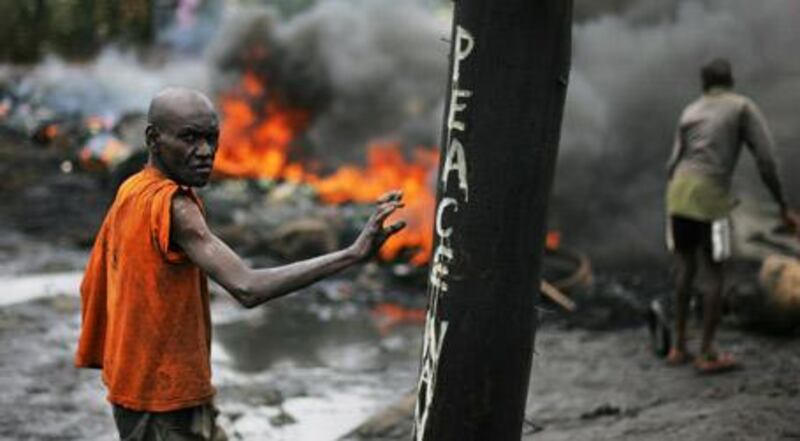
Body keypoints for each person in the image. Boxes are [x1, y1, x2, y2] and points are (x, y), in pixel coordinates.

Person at [74, 87, 406, 440]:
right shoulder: (174, 208)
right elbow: (248, 288)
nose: (205, 152)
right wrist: (352, 254)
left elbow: (97, 282)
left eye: (211, 138)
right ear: (153, 139)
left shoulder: (133, 188)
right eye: (189, 138)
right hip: (162, 399)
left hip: (137, 379)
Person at [665, 58, 791, 373]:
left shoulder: (690, 111)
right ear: (731, 80)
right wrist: (783, 207)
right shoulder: (742, 107)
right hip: (712, 201)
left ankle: (678, 348)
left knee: (684, 268)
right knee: (717, 271)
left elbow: (672, 163)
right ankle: (706, 354)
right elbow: (766, 161)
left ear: (703, 84)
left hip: (678, 194)